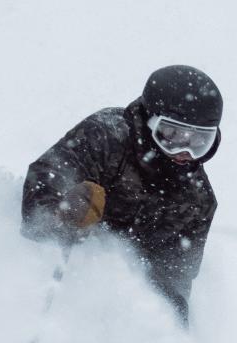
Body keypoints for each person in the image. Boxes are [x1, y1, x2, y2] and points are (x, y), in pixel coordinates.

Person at [21, 65, 222, 323]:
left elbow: (175, 279)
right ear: (150, 121)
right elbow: (42, 182)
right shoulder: (106, 137)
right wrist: (62, 214)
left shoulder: (197, 202)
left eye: (199, 141)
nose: (185, 151)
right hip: (55, 274)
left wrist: (169, 330)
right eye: (172, 135)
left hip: (114, 305)